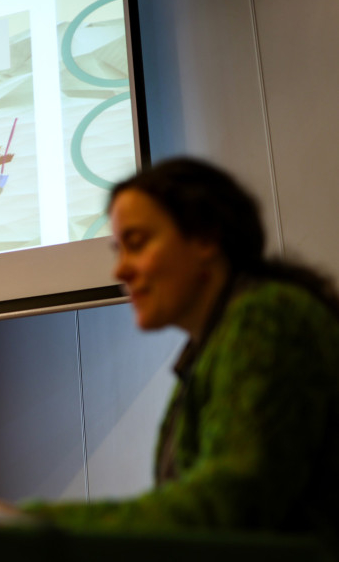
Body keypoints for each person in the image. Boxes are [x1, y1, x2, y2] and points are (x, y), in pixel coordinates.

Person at [22, 157, 339, 541]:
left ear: (205, 239)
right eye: (118, 249)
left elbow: (228, 504)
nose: (120, 270)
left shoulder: (267, 317)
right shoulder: (217, 341)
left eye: (136, 244)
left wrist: (29, 522)